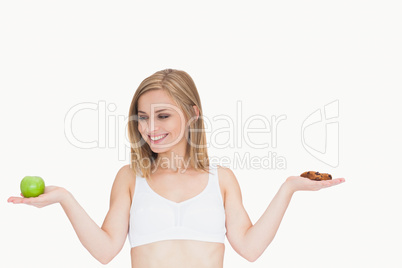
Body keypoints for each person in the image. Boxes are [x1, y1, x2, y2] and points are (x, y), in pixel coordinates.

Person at [8, 68, 345, 267]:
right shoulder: (130, 178)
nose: (149, 127)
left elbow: (250, 248)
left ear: (193, 113)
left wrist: (288, 188)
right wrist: (64, 198)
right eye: (142, 117)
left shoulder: (222, 179)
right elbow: (105, 250)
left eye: (163, 115)